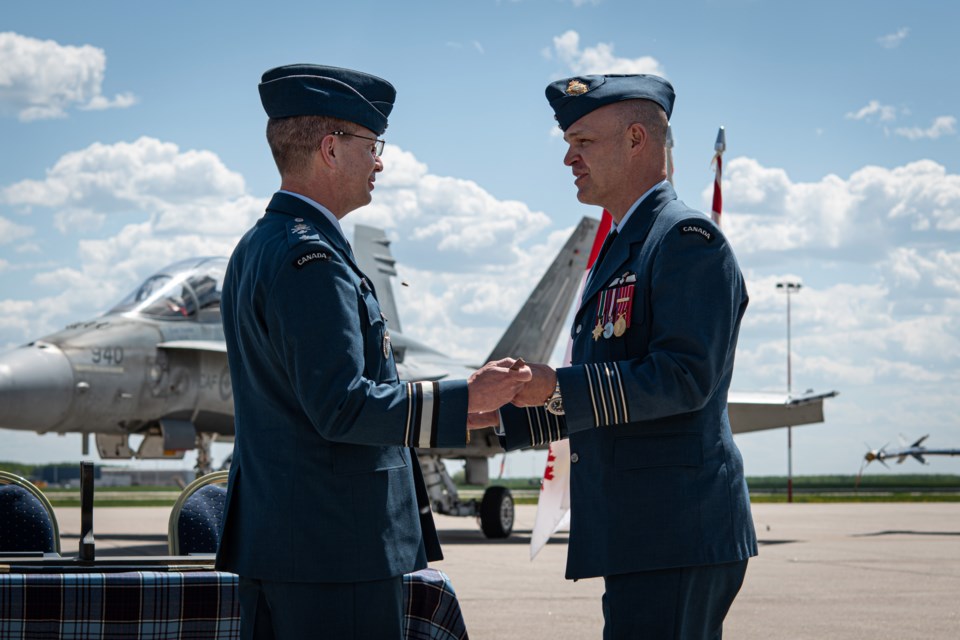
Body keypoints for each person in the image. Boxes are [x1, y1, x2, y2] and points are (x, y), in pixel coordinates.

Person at [215, 64, 530, 640]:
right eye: (372, 145)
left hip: (293, 545)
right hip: (333, 551)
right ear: (331, 149)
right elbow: (341, 407)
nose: (380, 161)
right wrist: (464, 395)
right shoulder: (309, 260)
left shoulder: (261, 246)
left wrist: (457, 411)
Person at [470, 74, 757, 639]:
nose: (569, 159)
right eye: (568, 144)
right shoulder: (626, 247)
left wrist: (553, 386)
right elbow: (604, 394)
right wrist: (497, 415)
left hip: (676, 530)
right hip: (644, 530)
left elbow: (682, 379)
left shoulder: (686, 239)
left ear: (635, 139)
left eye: (583, 142)